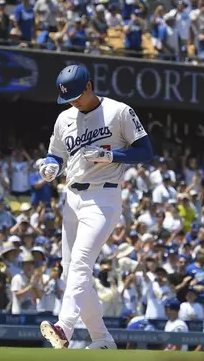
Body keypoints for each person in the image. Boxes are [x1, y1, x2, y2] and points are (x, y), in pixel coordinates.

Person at [38, 65, 153, 350]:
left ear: (89, 86)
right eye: (68, 97)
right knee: (70, 270)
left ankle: (63, 328)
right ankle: (102, 339)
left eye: (76, 95)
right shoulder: (64, 118)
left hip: (103, 198)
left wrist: (111, 154)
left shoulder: (119, 111)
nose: (73, 101)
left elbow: (146, 152)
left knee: (80, 263)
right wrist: (51, 165)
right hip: (72, 198)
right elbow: (56, 153)